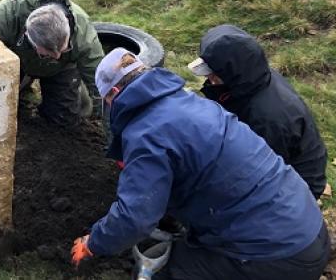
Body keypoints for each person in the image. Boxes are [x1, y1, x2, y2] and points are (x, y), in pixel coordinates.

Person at [70, 48, 329, 279]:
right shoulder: (192, 102)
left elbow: (135, 218)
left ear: (113, 93)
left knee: (166, 273)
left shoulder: (145, 136)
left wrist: (93, 243)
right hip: (308, 226)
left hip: (277, 257)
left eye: (105, 101)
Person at [188, 24, 327, 199]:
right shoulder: (253, 77)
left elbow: (258, 171)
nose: (209, 78)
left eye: (214, 73)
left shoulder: (266, 119)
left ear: (233, 73)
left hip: (297, 186)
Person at [0, 0, 103, 126]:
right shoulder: (5, 18)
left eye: (63, 49)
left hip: (61, 69)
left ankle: (75, 90)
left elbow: (102, 86)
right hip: (15, 60)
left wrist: (115, 137)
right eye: (47, 53)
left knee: (65, 119)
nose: (57, 56)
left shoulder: (84, 36)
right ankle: (24, 84)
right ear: (28, 36)